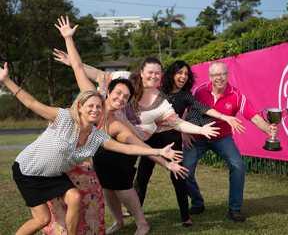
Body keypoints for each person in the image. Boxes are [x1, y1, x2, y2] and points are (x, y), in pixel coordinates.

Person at [0, 67, 180, 235]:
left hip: (53, 174)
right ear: (80, 106)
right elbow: (31, 103)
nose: (95, 109)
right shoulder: (64, 118)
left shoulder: (96, 136)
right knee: (42, 219)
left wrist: (159, 152)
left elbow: (127, 148)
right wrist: (6, 80)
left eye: (98, 107)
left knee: (75, 198)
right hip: (28, 171)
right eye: (90, 106)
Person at [53, 16, 188, 235]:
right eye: (118, 94)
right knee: (107, 188)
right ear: (109, 91)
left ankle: (142, 222)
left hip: (120, 154)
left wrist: (166, 164)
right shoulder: (92, 100)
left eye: (125, 97)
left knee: (123, 189)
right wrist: (68, 38)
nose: (120, 99)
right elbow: (78, 67)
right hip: (101, 153)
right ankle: (119, 221)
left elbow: (140, 147)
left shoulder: (117, 124)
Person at [133, 60, 245, 227]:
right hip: (152, 140)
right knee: (142, 176)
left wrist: (224, 117)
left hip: (173, 140)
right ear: (171, 74)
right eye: (180, 73)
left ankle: (185, 216)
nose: (183, 77)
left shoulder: (185, 95)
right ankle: (136, 210)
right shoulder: (158, 90)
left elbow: (201, 107)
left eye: (186, 74)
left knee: (179, 176)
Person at [183, 61, 277, 222]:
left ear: (228, 75)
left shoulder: (236, 95)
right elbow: (187, 111)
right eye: (214, 75)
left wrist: (269, 129)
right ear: (210, 77)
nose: (218, 78)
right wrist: (185, 132)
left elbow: (253, 116)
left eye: (222, 74)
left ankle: (235, 209)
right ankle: (197, 202)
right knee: (184, 170)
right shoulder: (199, 91)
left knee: (238, 165)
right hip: (198, 137)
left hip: (222, 138)